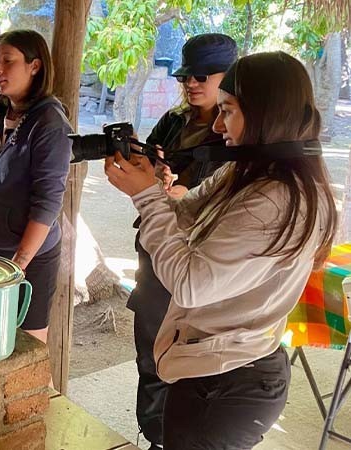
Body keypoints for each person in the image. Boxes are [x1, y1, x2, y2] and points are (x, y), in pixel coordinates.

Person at [105, 51, 336, 449]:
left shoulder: (276, 199)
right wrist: (153, 185)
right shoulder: (246, 172)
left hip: (228, 382)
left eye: (227, 111)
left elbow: (190, 283)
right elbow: (184, 214)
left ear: (265, 115)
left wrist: (145, 197)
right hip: (215, 367)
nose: (216, 124)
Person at [126, 33, 237, 450]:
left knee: (190, 364)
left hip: (199, 263)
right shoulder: (174, 121)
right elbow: (149, 170)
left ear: (229, 78)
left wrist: (187, 197)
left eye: (202, 76)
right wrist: (153, 176)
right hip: (156, 252)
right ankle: (154, 435)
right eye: (186, 76)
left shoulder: (239, 137)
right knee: (150, 353)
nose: (191, 83)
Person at [0, 30, 72, 344]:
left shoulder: (49, 123)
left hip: (27, 258)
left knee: (27, 345)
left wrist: (18, 266)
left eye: (8, 61)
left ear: (34, 66)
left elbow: (47, 204)